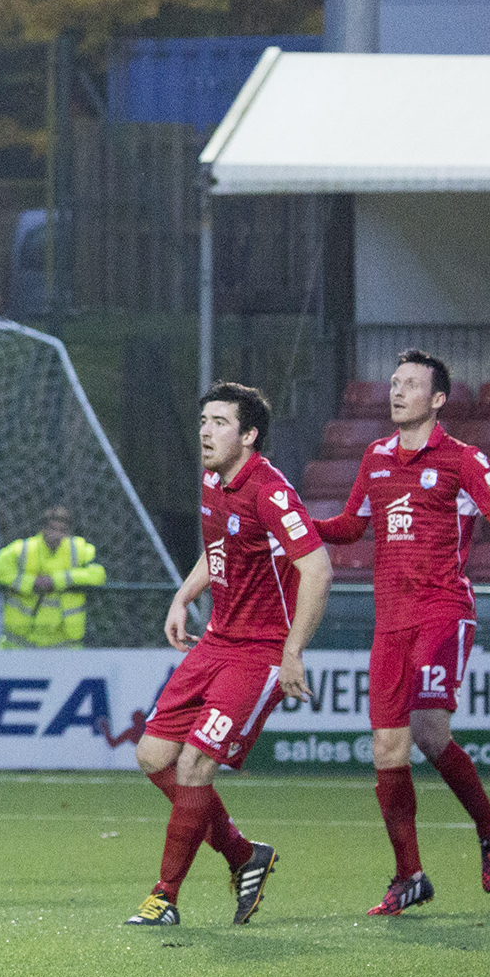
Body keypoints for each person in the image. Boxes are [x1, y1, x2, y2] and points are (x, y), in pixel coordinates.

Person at [311, 349, 490, 915]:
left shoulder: (463, 460)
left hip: (442, 613)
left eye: (410, 384)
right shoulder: (375, 456)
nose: (396, 391)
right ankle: (409, 875)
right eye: (393, 382)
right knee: (387, 747)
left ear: (437, 400)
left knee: (428, 734)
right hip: (391, 624)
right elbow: (352, 526)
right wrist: (295, 524)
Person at [127, 381, 331, 927]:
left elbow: (317, 568)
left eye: (219, 422)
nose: (205, 431)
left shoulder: (271, 491)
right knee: (152, 755)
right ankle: (244, 855)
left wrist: (293, 652)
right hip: (216, 639)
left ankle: (164, 897)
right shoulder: (211, 480)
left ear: (249, 435)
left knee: (195, 765)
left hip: (260, 652)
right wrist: (184, 594)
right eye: (203, 421)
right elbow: (217, 548)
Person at [0, 504, 107, 648]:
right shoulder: (22, 549)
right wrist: (31, 583)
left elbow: (98, 574)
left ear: (69, 532)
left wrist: (57, 580)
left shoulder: (79, 549)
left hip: (66, 645)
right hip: (20, 644)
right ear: (43, 529)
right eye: (52, 529)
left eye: (62, 530)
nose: (57, 535)